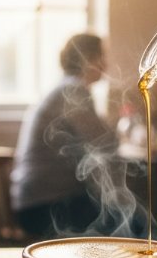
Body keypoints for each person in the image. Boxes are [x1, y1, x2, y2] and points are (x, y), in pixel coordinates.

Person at [10, 33, 119, 239]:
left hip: (35, 201)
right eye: (101, 56)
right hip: (46, 206)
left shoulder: (64, 87)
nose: (105, 64)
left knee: (115, 212)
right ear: (87, 58)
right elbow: (104, 141)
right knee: (130, 224)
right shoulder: (73, 90)